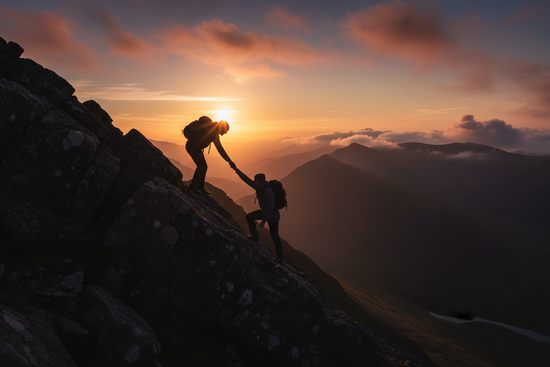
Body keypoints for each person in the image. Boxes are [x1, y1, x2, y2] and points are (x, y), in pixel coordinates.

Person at [233, 168, 284, 264]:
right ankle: (255, 237)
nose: (253, 182)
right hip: (265, 212)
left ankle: (280, 258)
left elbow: (270, 208)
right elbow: (246, 179)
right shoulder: (259, 187)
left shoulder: (268, 191)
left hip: (273, 216)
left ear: (259, 182)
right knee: (249, 217)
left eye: (255, 180)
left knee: (274, 236)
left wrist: (264, 221)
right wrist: (236, 169)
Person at [183, 116, 235, 194]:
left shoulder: (212, 129)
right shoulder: (214, 133)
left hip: (193, 147)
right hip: (193, 148)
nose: (224, 134)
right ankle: (193, 187)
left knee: (203, 166)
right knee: (202, 166)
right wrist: (229, 160)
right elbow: (220, 149)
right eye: (224, 131)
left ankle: (200, 187)